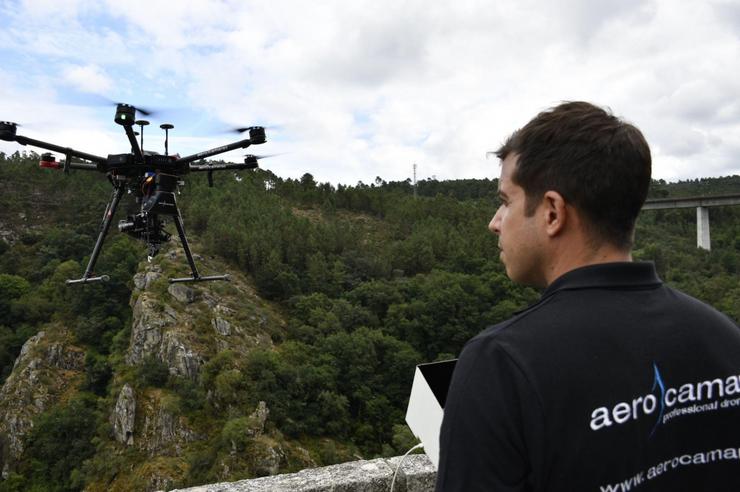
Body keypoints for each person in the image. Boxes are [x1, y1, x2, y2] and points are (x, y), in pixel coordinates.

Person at [435, 101, 740, 491]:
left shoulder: (501, 366)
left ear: (552, 213)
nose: (494, 223)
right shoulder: (722, 335)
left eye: (505, 201)